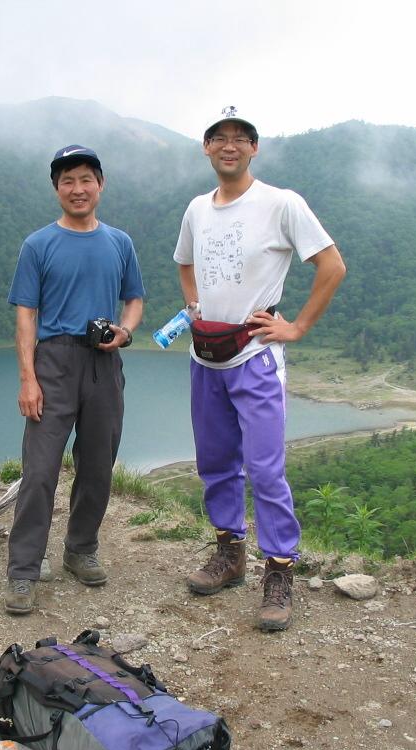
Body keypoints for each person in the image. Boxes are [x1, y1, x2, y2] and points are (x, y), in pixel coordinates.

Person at [173, 106, 346, 631]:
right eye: (219, 137)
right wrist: (195, 306)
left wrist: (297, 327)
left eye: (241, 138)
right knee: (215, 461)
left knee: (265, 468)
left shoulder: (281, 203)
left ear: (254, 148)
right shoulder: (197, 209)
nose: (230, 145)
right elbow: (184, 261)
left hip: (255, 357)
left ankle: (280, 568)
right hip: (206, 355)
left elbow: (332, 265)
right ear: (206, 147)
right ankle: (230, 554)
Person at [4, 145, 145, 615]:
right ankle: (24, 570)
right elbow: (26, 316)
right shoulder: (38, 244)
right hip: (54, 361)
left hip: (104, 361)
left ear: (100, 185)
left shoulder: (119, 242)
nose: (78, 189)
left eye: (86, 179)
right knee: (40, 469)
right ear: (56, 189)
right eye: (68, 181)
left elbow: (134, 299)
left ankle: (80, 548)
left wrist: (125, 331)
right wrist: (28, 378)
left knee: (98, 464)